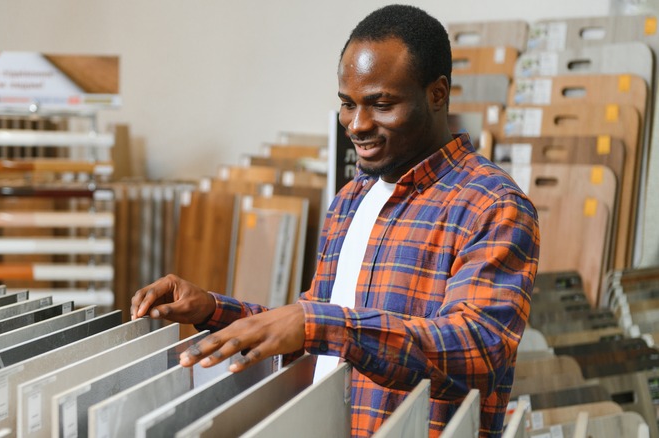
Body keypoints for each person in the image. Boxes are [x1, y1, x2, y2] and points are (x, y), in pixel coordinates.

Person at [132, 4, 540, 437]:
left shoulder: (492, 205)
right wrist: (214, 310)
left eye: (381, 104)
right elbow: (316, 338)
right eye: (348, 104)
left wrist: (318, 324)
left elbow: (478, 350)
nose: (358, 124)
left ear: (437, 95)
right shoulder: (352, 198)